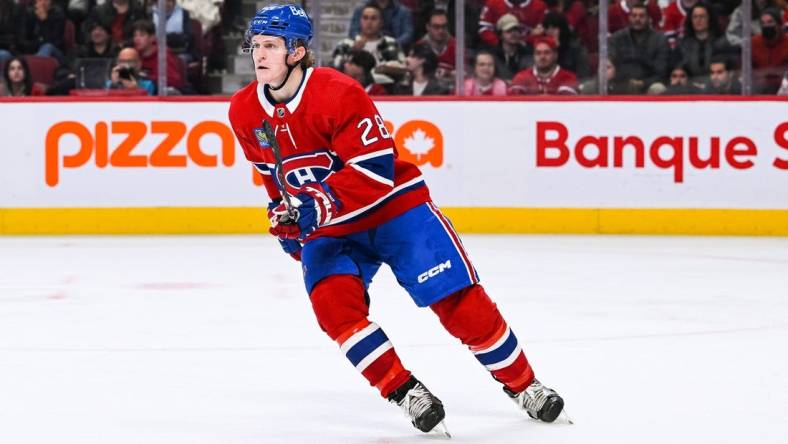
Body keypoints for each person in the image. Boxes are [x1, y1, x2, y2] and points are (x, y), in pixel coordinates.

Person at [228, 4, 566, 436]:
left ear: (296, 51)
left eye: (271, 46)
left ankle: (525, 385)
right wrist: (285, 216)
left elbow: (375, 170)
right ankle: (406, 391)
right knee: (333, 308)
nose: (259, 54)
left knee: (458, 303)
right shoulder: (243, 110)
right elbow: (271, 173)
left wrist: (317, 204)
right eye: (256, 45)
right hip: (331, 226)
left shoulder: (338, 92)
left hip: (394, 210)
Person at [332, 3, 406, 85]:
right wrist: (352, 51)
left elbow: (404, 70)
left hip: (385, 92)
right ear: (360, 21)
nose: (369, 22)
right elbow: (334, 69)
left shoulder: (391, 43)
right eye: (365, 18)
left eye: (373, 18)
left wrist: (386, 69)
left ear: (381, 22)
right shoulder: (346, 44)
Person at [608, 2, 669, 94]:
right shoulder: (617, 38)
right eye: (634, 16)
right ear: (629, 18)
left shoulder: (659, 39)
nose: (637, 19)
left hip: (648, 83)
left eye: (641, 16)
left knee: (658, 89)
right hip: (621, 82)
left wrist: (643, 83)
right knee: (591, 87)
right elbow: (610, 62)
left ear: (648, 19)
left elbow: (661, 71)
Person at [675, 3, 735, 83]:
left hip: (716, 86)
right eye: (695, 17)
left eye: (702, 16)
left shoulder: (722, 43)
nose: (698, 20)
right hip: (690, 88)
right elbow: (679, 70)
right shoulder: (683, 44)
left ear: (709, 19)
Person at [509, 36, 578, 94]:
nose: (542, 57)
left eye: (547, 53)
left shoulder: (568, 77)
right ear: (533, 56)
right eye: (538, 53)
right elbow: (513, 104)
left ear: (555, 55)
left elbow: (565, 105)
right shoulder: (522, 77)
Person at [131, 19, 185, 92]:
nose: (137, 39)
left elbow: (174, 81)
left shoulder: (163, 55)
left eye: (142, 35)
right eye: (135, 35)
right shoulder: (133, 54)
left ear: (152, 38)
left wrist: (147, 78)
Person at [478, 0, 547, 47]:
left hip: (529, 50)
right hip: (498, 50)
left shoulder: (539, 5)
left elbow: (541, 33)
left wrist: (526, 41)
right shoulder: (493, 3)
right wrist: (499, 44)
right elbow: (483, 29)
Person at [348, 0, 414, 48]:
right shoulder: (361, 9)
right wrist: (360, 40)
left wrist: (392, 44)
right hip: (364, 46)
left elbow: (408, 33)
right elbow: (353, 31)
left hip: (393, 47)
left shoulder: (403, 11)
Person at [752, 8, 788, 93]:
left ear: (779, 24)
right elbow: (748, 69)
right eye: (763, 23)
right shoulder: (753, 43)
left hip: (783, 86)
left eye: (770, 22)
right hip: (759, 86)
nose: (766, 26)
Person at [416, 9, 456, 87]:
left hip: (450, 90)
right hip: (426, 92)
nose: (440, 31)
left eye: (444, 26)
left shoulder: (457, 46)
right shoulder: (420, 46)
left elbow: (463, 74)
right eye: (436, 27)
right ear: (428, 27)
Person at [492, 13, 533, 81]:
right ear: (500, 35)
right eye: (509, 31)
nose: (513, 33)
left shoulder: (528, 53)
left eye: (516, 30)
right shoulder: (493, 56)